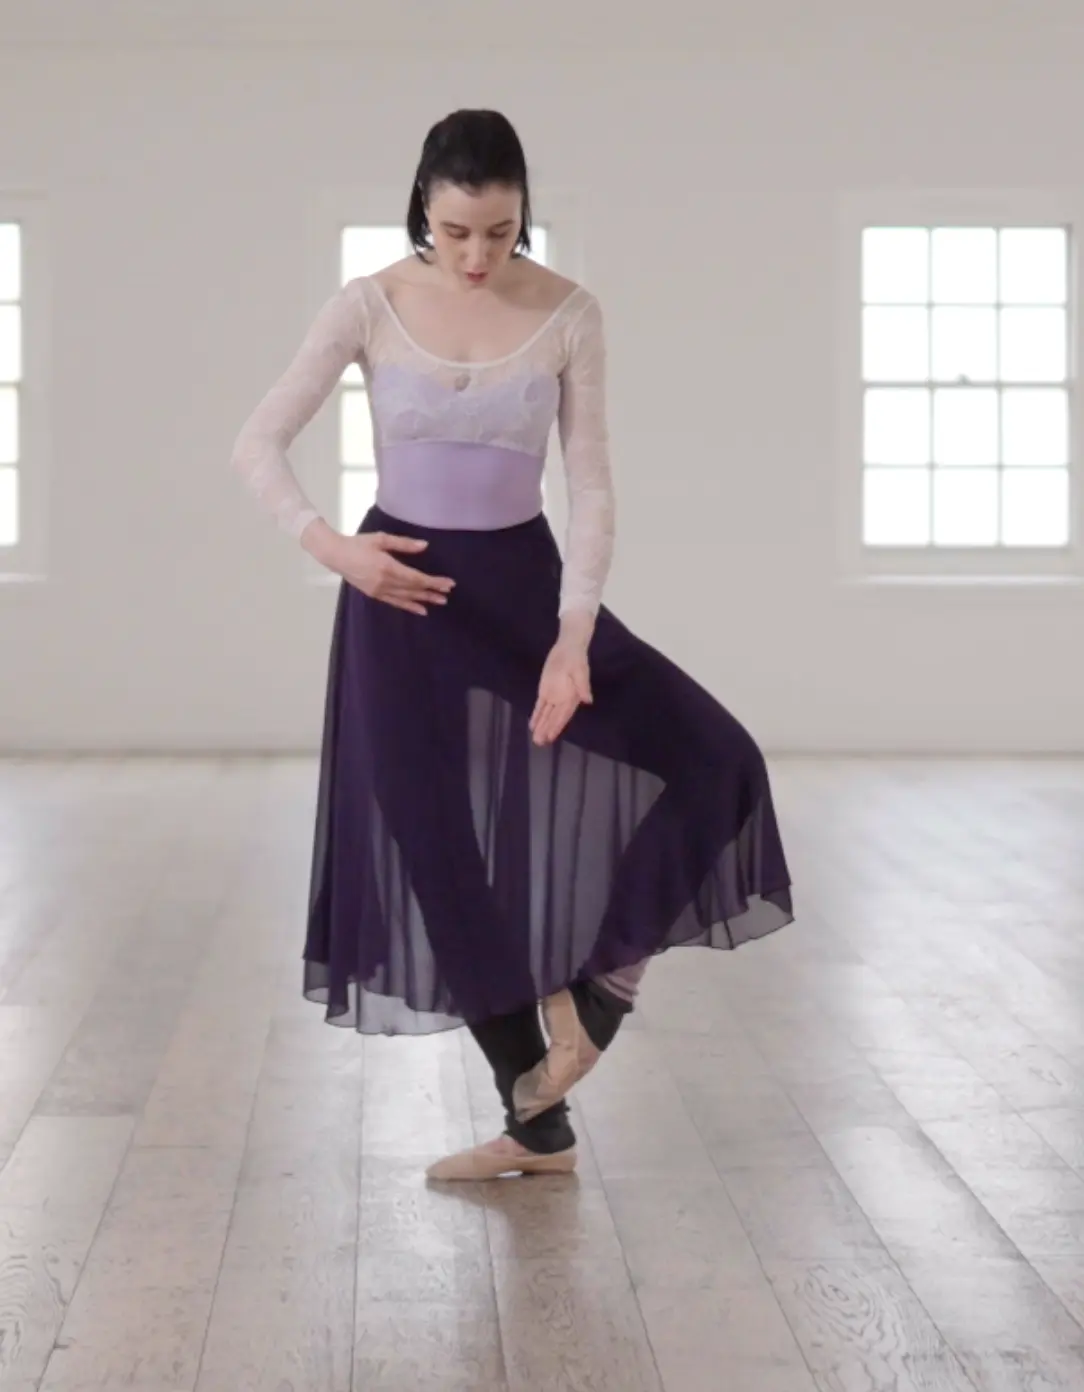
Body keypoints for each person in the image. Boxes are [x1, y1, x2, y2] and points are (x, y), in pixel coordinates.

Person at [231, 109, 793, 1181]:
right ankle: (535, 1126)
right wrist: (335, 550)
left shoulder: (569, 312)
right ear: (423, 210)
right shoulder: (368, 304)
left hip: (529, 591)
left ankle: (601, 987)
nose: (478, 255)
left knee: (717, 759)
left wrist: (574, 635)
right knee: (434, 845)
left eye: (498, 230)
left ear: (523, 212)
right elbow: (257, 442)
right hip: (397, 599)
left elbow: (590, 484)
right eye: (456, 232)